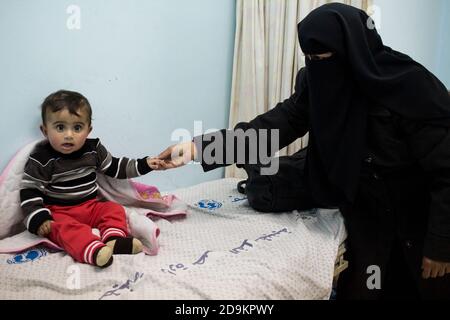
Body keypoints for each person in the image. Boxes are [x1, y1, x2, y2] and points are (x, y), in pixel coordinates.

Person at [153, 3, 450, 299]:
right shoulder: (317, 82)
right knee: (368, 287)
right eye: (309, 58)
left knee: (421, 286)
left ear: (351, 50)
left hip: (420, 216)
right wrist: (196, 149)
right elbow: (273, 127)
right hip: (366, 213)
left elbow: (446, 173)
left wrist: (441, 245)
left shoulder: (410, 88)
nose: (315, 66)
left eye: (321, 57)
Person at [20, 90, 161, 268]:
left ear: (88, 130)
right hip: (60, 211)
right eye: (60, 127)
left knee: (113, 209)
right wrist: (39, 218)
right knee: (62, 229)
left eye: (77, 127)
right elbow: (30, 190)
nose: (69, 135)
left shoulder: (93, 150)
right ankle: (91, 250)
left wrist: (145, 164)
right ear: (45, 130)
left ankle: (114, 239)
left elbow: (116, 167)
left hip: (90, 207)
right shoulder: (42, 158)